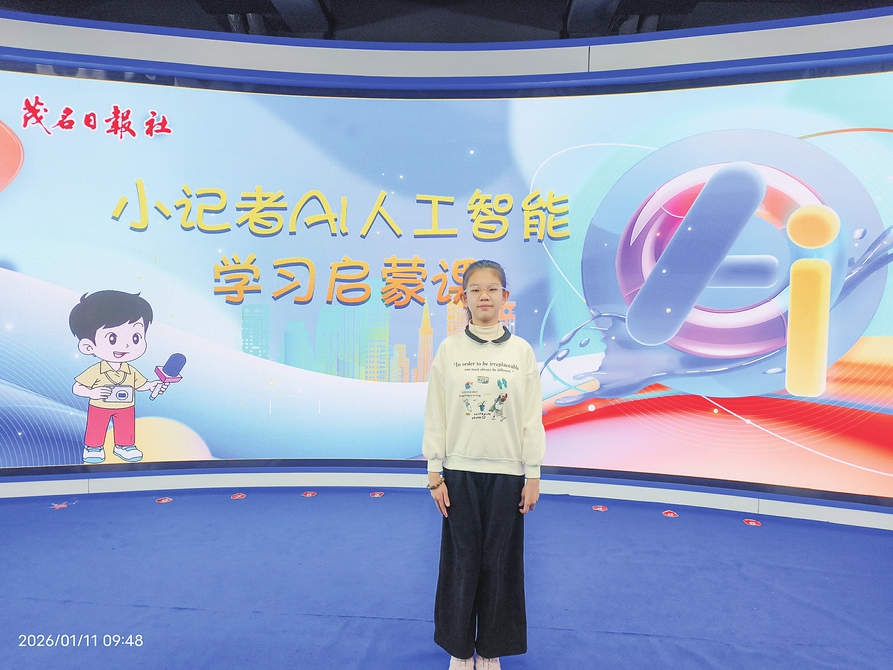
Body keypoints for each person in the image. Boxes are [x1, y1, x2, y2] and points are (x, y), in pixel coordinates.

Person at [423, 259, 546, 670]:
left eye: (492, 289)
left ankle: (490, 650)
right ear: (464, 299)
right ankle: (460, 650)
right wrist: (434, 472)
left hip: (508, 474)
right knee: (461, 563)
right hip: (459, 472)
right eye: (475, 290)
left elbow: (531, 418)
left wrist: (533, 474)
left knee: (500, 565)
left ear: (505, 296)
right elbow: (436, 412)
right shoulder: (449, 350)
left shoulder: (521, 352)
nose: (484, 296)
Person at [69, 290, 168, 464]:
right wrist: (93, 393)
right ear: (88, 346)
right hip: (99, 406)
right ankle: (93, 447)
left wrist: (153, 385)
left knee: (126, 426)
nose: (127, 345)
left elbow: (141, 384)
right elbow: (77, 387)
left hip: (126, 406)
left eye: (136, 337)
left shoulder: (130, 371)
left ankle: (124, 446)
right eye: (113, 338)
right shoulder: (97, 370)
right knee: (96, 427)